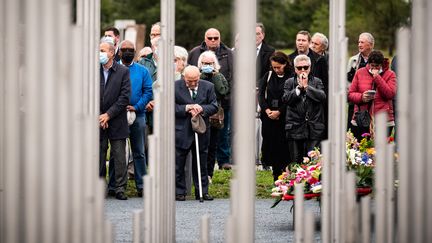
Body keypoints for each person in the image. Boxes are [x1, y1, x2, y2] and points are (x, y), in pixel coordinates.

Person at [188, 28, 234, 170]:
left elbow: (233, 76)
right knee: (203, 135)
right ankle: (201, 163)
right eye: (210, 38)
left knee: (222, 133)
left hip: (222, 102)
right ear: (205, 38)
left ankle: (223, 161)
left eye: (216, 37)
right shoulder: (195, 53)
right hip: (199, 105)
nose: (213, 40)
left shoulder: (229, 53)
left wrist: (226, 93)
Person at [174, 66, 218, 201]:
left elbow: (214, 106)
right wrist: (186, 108)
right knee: (178, 162)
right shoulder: (175, 86)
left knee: (201, 161)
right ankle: (179, 191)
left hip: (201, 130)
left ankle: (203, 191)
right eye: (189, 81)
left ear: (199, 76)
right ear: (184, 77)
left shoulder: (208, 86)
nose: (192, 84)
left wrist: (202, 108)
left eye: (195, 80)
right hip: (182, 130)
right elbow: (169, 106)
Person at [116, 40, 153, 197]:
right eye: (124, 49)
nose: (127, 52)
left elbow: (148, 91)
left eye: (130, 50)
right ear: (119, 52)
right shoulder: (113, 69)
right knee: (118, 153)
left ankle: (142, 185)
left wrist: (137, 107)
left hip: (138, 115)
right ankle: (116, 186)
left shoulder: (142, 71)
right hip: (117, 116)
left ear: (135, 52)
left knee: (139, 151)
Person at [99, 41, 131, 200]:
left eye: (103, 50)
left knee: (119, 156)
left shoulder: (123, 71)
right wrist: (100, 115)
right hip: (98, 121)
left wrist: (108, 115)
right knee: (99, 155)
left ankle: (119, 188)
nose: (100, 53)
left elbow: (125, 97)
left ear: (112, 53)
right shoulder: (92, 70)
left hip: (117, 120)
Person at [282, 54, 326, 164]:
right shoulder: (289, 82)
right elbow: (286, 99)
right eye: (299, 68)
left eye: (305, 67)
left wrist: (307, 87)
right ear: (294, 68)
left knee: (313, 163)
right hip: (295, 128)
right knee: (296, 162)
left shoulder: (317, 81)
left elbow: (322, 97)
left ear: (310, 68)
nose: (303, 70)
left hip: (314, 128)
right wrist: (298, 89)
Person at [258, 51, 293, 180]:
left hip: (284, 116)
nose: (276, 69)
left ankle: (285, 173)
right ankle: (275, 172)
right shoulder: (268, 75)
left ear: (285, 64)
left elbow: (291, 98)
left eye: (279, 67)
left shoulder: (291, 76)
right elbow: (261, 95)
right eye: (274, 67)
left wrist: (279, 111)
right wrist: (267, 110)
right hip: (269, 117)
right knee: (270, 144)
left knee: (283, 146)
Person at [348, 50, 397, 140]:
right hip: (363, 119)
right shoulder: (360, 72)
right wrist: (361, 97)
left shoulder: (390, 74)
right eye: (372, 65)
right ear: (369, 63)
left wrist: (377, 77)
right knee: (361, 149)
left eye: (377, 66)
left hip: (384, 120)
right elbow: (351, 94)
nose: (374, 68)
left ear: (381, 64)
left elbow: (390, 94)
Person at [289, 30, 329, 140]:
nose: (300, 43)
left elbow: (325, 86)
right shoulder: (289, 58)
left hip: (314, 108)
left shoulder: (319, 59)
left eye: (303, 40)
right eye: (298, 40)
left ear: (309, 42)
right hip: (295, 108)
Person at [196, 51, 229, 180]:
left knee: (212, 145)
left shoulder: (219, 76)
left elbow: (223, 92)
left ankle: (209, 173)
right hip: (201, 114)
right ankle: (200, 172)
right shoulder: (197, 75)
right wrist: (204, 74)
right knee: (201, 145)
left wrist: (214, 76)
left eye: (210, 63)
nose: (208, 65)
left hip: (215, 116)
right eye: (205, 63)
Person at [347, 32, 375, 133]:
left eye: (362, 42)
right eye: (359, 42)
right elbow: (348, 83)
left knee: (370, 134)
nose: (359, 45)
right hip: (355, 104)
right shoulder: (353, 60)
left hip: (373, 105)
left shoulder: (378, 60)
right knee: (354, 136)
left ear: (371, 45)